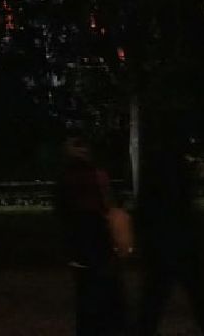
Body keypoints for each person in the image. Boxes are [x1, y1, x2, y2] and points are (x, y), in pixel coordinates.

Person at [133, 135, 204, 335]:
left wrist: (145, 242)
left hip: (161, 243)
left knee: (154, 298)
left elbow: (144, 209)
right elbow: (184, 207)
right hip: (182, 242)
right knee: (199, 295)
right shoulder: (179, 170)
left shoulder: (153, 170)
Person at [53, 135, 124, 335]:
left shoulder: (71, 177)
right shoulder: (93, 175)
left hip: (87, 240)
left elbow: (63, 213)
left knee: (89, 293)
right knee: (103, 291)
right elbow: (108, 204)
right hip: (94, 239)